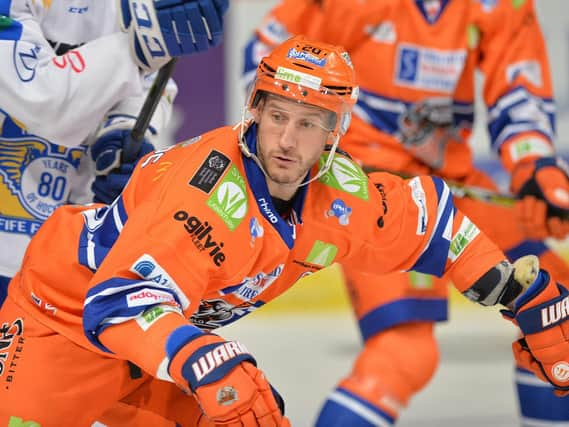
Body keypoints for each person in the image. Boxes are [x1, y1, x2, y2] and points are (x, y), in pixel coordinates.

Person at [1, 34, 569, 427]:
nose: (286, 142)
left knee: (250, 411)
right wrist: (204, 357)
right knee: (231, 384)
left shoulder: (337, 193)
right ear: (255, 111)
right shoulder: (207, 195)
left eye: (308, 123)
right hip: (63, 325)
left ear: (334, 134)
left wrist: (521, 293)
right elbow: (119, 302)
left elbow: (431, 227)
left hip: (156, 346)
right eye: (276, 117)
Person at [243, 0, 569, 425]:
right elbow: (267, 58)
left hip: (449, 181)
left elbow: (517, 83)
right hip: (367, 187)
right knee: (404, 352)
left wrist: (536, 166)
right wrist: (316, 158)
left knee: (557, 311)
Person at [0, 0, 229, 307]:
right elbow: (39, 98)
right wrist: (140, 45)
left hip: (57, 246)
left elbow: (148, 80)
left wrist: (122, 131)